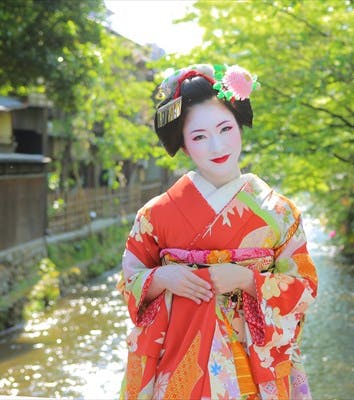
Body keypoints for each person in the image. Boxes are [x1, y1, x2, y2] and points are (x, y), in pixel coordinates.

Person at [117, 63, 318, 400]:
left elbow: (305, 287)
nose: (216, 145)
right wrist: (163, 279)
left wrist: (245, 280)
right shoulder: (155, 214)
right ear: (184, 146)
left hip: (252, 365)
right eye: (199, 136)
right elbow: (129, 279)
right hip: (179, 360)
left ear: (240, 126)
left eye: (225, 128)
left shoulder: (280, 212)